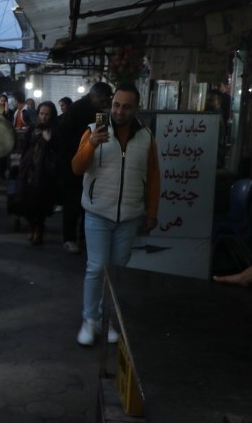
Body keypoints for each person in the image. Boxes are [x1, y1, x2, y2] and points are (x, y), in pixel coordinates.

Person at [72, 83, 160, 347]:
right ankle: (90, 320)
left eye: (126, 106)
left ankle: (109, 319)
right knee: (96, 268)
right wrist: (91, 145)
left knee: (117, 271)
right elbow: (77, 168)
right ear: (111, 105)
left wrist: (152, 212)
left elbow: (154, 177)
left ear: (136, 108)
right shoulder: (92, 130)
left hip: (130, 216)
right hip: (98, 212)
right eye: (116, 105)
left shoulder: (146, 137)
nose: (120, 111)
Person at [56, 82, 113, 254]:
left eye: (108, 100)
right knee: (72, 203)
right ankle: (69, 238)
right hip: (72, 164)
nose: (106, 102)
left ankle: (83, 236)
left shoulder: (99, 111)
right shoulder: (78, 109)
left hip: (89, 163)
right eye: (103, 99)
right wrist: (85, 146)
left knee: (86, 202)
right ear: (94, 96)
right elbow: (64, 136)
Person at [17, 101, 59, 245]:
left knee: (40, 204)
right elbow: (25, 145)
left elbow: (59, 150)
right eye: (41, 113)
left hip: (44, 173)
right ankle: (31, 227)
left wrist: (49, 140)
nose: (44, 117)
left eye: (47, 114)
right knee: (26, 203)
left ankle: (39, 229)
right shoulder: (33, 127)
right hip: (29, 169)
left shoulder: (55, 129)